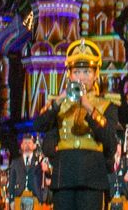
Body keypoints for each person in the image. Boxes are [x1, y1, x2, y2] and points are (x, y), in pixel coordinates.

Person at [32, 39, 121, 210]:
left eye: (87, 72)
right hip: (64, 176)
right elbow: (39, 125)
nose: (82, 77)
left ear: (96, 74)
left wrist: (88, 106)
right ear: (69, 75)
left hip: (92, 177)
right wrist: (59, 101)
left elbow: (110, 141)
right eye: (77, 71)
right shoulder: (59, 104)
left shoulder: (106, 106)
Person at [7, 132, 49, 210]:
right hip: (18, 196)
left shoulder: (40, 161)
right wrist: (11, 200)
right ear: (21, 146)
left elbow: (45, 180)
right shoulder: (15, 162)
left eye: (29, 142)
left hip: (36, 197)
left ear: (34, 146)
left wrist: (43, 198)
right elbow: (11, 182)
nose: (27, 144)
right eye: (25, 142)